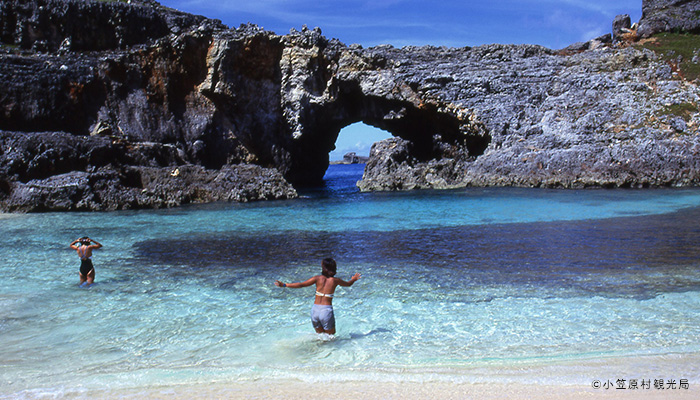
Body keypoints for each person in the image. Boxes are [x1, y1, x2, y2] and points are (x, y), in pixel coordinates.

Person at [275, 258, 361, 335]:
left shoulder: (317, 278)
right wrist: (353, 279)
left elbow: (301, 284)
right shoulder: (335, 281)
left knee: (320, 337)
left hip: (315, 311)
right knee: (330, 338)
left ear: (324, 268)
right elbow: (348, 284)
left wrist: (284, 285)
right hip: (326, 311)